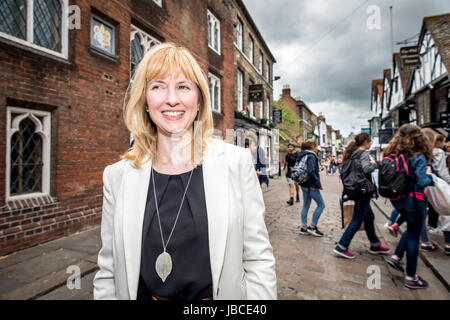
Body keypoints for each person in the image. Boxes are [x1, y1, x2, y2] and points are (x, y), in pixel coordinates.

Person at [93, 43, 277, 300]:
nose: (172, 99)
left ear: (199, 100)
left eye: (183, 87)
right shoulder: (117, 176)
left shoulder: (237, 163)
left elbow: (258, 258)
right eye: (157, 86)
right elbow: (108, 268)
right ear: (145, 100)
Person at [384, 124, 434, 289]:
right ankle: (411, 276)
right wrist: (431, 178)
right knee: (414, 235)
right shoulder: (417, 156)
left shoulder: (394, 154)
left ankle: (397, 257)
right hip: (414, 200)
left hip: (398, 200)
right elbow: (421, 180)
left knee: (410, 231)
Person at [333, 133, 390, 259]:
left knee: (369, 217)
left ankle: (375, 244)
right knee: (357, 220)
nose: (370, 144)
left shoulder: (354, 154)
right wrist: (374, 164)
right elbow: (366, 169)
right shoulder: (364, 153)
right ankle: (341, 246)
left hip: (357, 190)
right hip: (363, 191)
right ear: (365, 142)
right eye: (369, 141)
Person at [297, 138, 325, 237]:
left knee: (305, 205)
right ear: (313, 147)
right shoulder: (311, 156)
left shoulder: (302, 154)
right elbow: (311, 172)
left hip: (303, 184)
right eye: (317, 145)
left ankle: (303, 228)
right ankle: (313, 227)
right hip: (311, 185)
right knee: (321, 205)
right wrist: (318, 185)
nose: (317, 148)